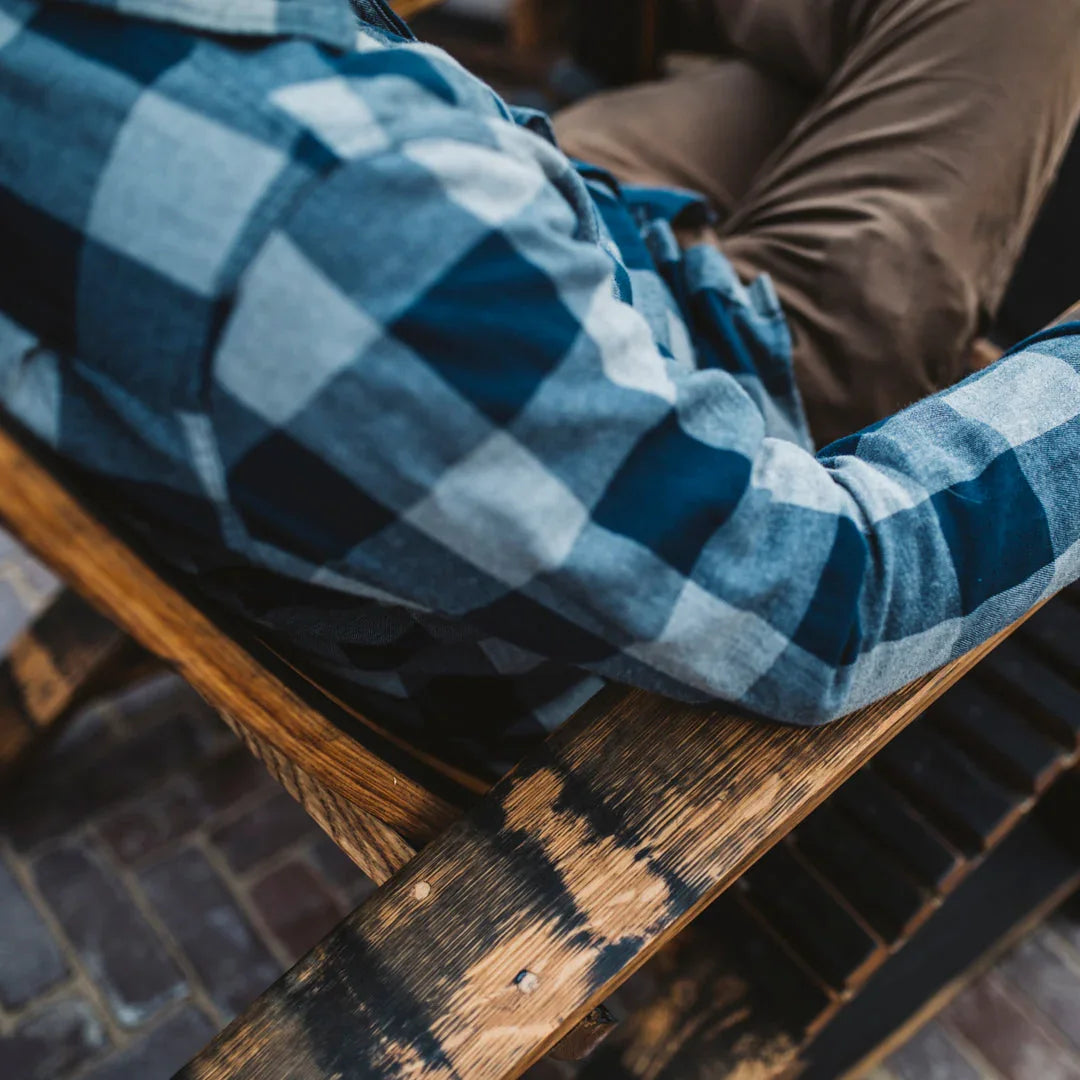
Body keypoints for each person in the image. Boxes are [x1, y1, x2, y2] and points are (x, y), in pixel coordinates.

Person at [1, 0, 1079, 776]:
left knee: (798, 78)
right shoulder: (340, 216)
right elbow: (834, 593)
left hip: (545, 257)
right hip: (717, 402)